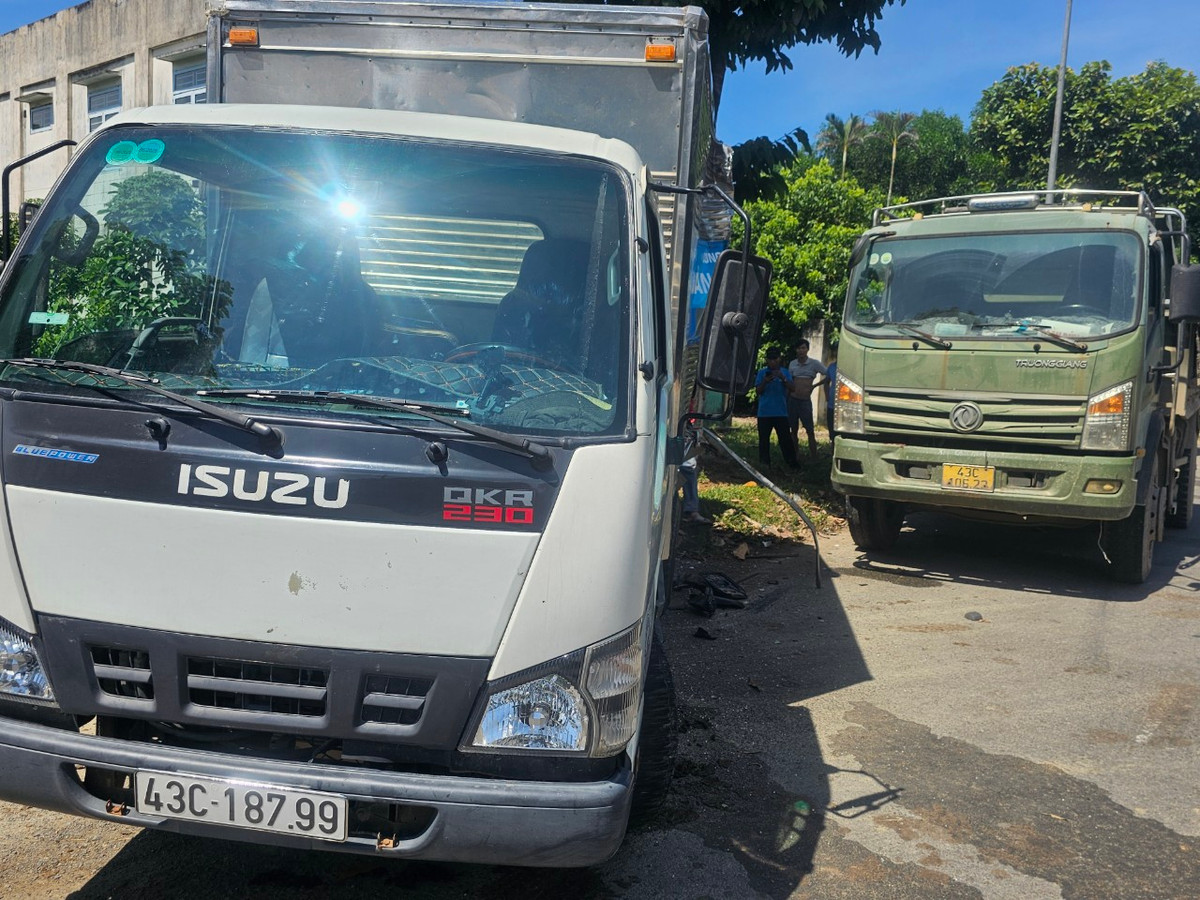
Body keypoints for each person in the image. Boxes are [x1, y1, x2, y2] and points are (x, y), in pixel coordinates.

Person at [755, 347, 800, 469]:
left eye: (775, 359)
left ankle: (792, 463)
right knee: (764, 440)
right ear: (767, 360)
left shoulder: (785, 372)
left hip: (781, 412)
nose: (772, 362)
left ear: (779, 359)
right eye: (770, 359)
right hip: (764, 413)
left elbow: (793, 388)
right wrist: (765, 381)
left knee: (785, 439)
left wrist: (783, 378)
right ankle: (764, 463)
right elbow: (758, 391)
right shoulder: (762, 373)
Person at [787, 339, 827, 458]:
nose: (801, 351)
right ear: (796, 350)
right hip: (793, 400)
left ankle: (814, 456)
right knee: (793, 429)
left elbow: (828, 374)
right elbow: (789, 382)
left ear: (807, 349)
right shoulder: (792, 364)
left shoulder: (814, 364)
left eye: (803, 348)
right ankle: (795, 454)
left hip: (805, 401)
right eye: (799, 348)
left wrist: (814, 386)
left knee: (810, 430)